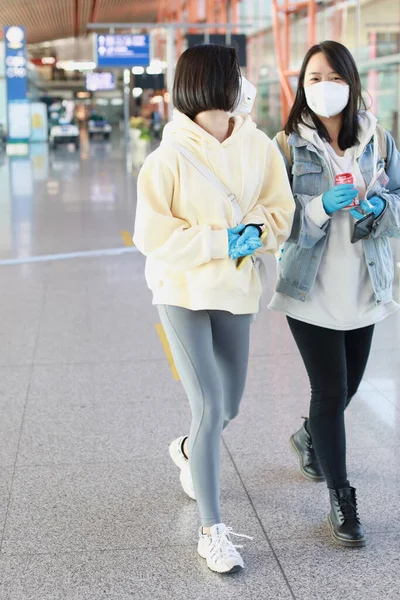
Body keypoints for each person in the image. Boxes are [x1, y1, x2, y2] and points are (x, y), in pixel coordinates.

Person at [134, 44, 295, 574]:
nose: (245, 83)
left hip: (235, 291)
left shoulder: (257, 146)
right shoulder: (167, 158)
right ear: (215, 82)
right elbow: (153, 236)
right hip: (181, 292)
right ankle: (213, 530)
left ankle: (186, 449)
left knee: (230, 407)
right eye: (238, 74)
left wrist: (259, 232)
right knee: (208, 406)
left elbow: (280, 208)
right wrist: (223, 241)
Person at [270, 40, 400, 547]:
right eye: (314, 78)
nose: (324, 87)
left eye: (333, 77)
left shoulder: (381, 141)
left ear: (351, 80)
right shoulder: (283, 146)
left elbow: (398, 201)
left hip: (365, 282)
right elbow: (277, 223)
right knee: (329, 390)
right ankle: (341, 497)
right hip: (311, 285)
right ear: (303, 86)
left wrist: (378, 210)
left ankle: (307, 436)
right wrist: (320, 207)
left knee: (346, 390)